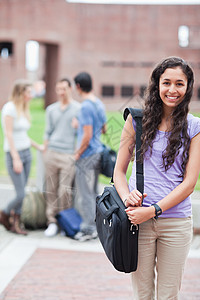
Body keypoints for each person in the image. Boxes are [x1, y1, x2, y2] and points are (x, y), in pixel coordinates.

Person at [113, 57, 200, 299]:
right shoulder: (136, 120)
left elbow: (189, 183)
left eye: (179, 84)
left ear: (188, 87)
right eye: (167, 83)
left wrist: (152, 211)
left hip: (176, 223)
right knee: (142, 294)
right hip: (137, 222)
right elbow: (118, 172)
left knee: (168, 295)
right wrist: (126, 197)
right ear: (157, 84)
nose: (172, 90)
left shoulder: (195, 127)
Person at [0, 79, 44, 235]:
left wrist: (38, 146)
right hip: (15, 155)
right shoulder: (9, 108)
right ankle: (4, 213)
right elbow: (9, 134)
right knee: (21, 194)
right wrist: (16, 158)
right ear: (20, 93)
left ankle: (15, 224)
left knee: (22, 191)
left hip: (26, 153)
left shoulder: (23, 108)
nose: (31, 95)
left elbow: (23, 135)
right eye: (29, 92)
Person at [43, 78, 80, 237]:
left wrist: (78, 128)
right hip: (52, 153)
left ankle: (65, 221)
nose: (61, 92)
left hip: (68, 155)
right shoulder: (51, 109)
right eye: (58, 89)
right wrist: (45, 150)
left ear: (70, 89)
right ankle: (51, 221)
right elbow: (47, 131)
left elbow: (84, 134)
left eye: (64, 89)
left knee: (65, 190)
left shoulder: (78, 109)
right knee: (50, 189)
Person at [73, 72, 106, 242]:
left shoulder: (85, 106)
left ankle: (88, 228)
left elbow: (86, 135)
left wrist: (77, 154)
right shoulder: (98, 103)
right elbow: (104, 129)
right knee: (93, 192)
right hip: (98, 152)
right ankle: (97, 226)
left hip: (86, 155)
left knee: (85, 193)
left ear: (78, 86)